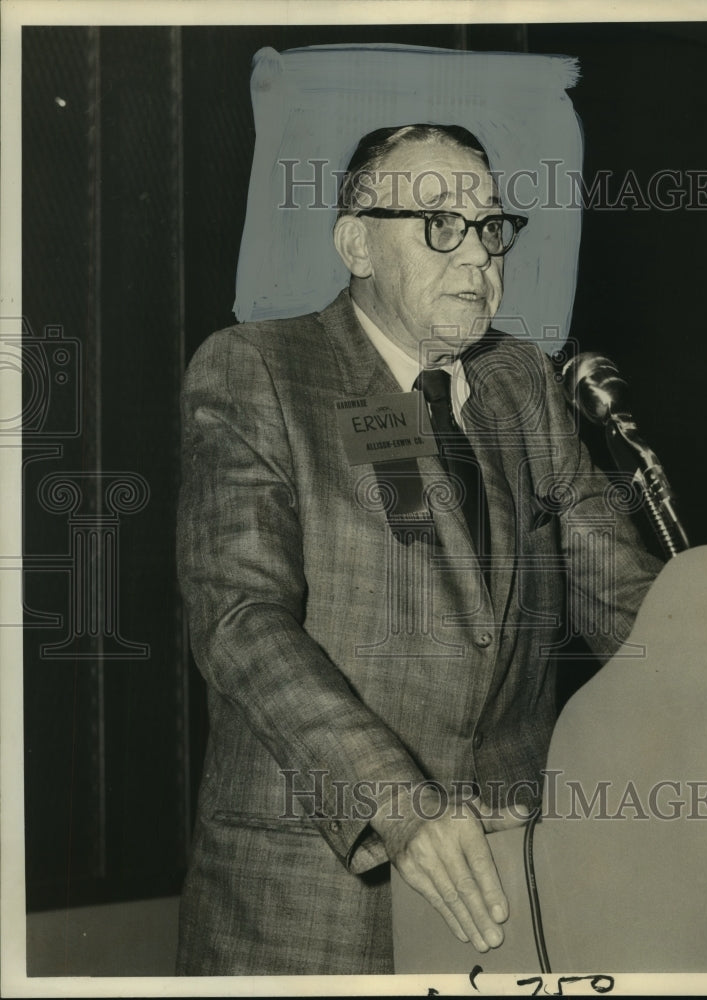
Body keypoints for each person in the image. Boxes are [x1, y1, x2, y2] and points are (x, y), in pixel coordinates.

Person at [175, 123, 662, 976]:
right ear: (355, 243)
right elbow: (240, 619)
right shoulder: (262, 369)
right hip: (317, 892)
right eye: (439, 223)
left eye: (490, 226)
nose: (477, 255)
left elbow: (630, 607)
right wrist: (403, 806)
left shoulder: (525, 384)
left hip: (507, 884)